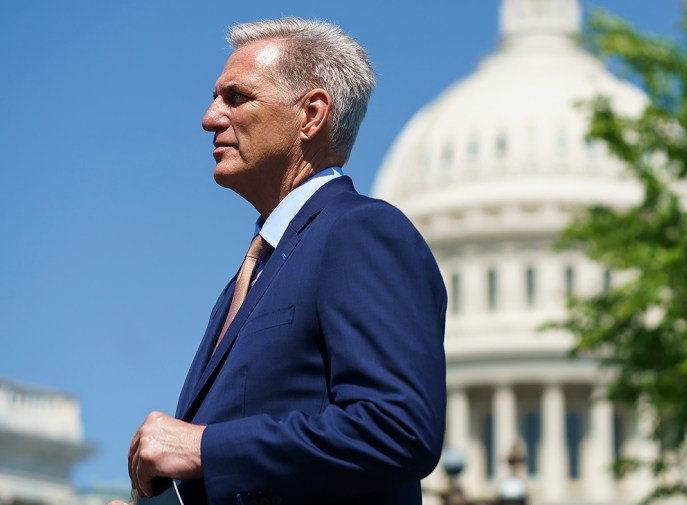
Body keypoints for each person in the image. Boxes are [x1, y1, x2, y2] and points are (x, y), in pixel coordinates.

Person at [111, 18, 447, 505]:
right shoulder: (255, 271)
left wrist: (205, 447)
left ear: (311, 114)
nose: (209, 117)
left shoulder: (359, 232)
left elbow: (397, 426)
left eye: (236, 97)